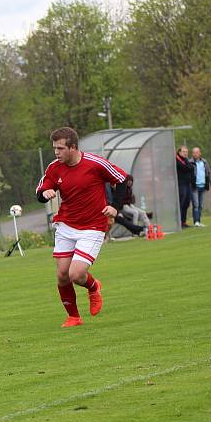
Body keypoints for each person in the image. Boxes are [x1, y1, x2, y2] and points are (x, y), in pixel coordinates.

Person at [36, 127, 127, 328]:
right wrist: (46, 193)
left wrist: (115, 207)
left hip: (93, 226)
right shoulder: (54, 167)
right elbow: (41, 190)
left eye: (60, 148)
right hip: (66, 224)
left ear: (73, 147)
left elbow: (123, 180)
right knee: (61, 274)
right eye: (54, 149)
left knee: (75, 274)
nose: (56, 153)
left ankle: (93, 287)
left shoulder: (95, 164)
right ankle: (74, 317)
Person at [190, 147, 211, 227]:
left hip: (203, 186)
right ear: (192, 154)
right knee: (196, 204)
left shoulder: (204, 162)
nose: (195, 154)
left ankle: (198, 221)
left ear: (200, 153)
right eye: (194, 153)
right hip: (194, 186)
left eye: (197, 152)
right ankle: (196, 221)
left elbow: (209, 173)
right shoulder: (190, 162)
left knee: (200, 205)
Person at [176, 145, 194, 228]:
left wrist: (189, 167)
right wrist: (189, 167)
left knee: (187, 203)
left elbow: (191, 167)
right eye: (184, 152)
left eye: (186, 152)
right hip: (181, 185)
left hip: (188, 184)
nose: (185, 153)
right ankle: (178, 222)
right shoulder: (177, 160)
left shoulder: (186, 160)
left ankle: (183, 222)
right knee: (181, 203)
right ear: (179, 152)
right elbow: (184, 168)